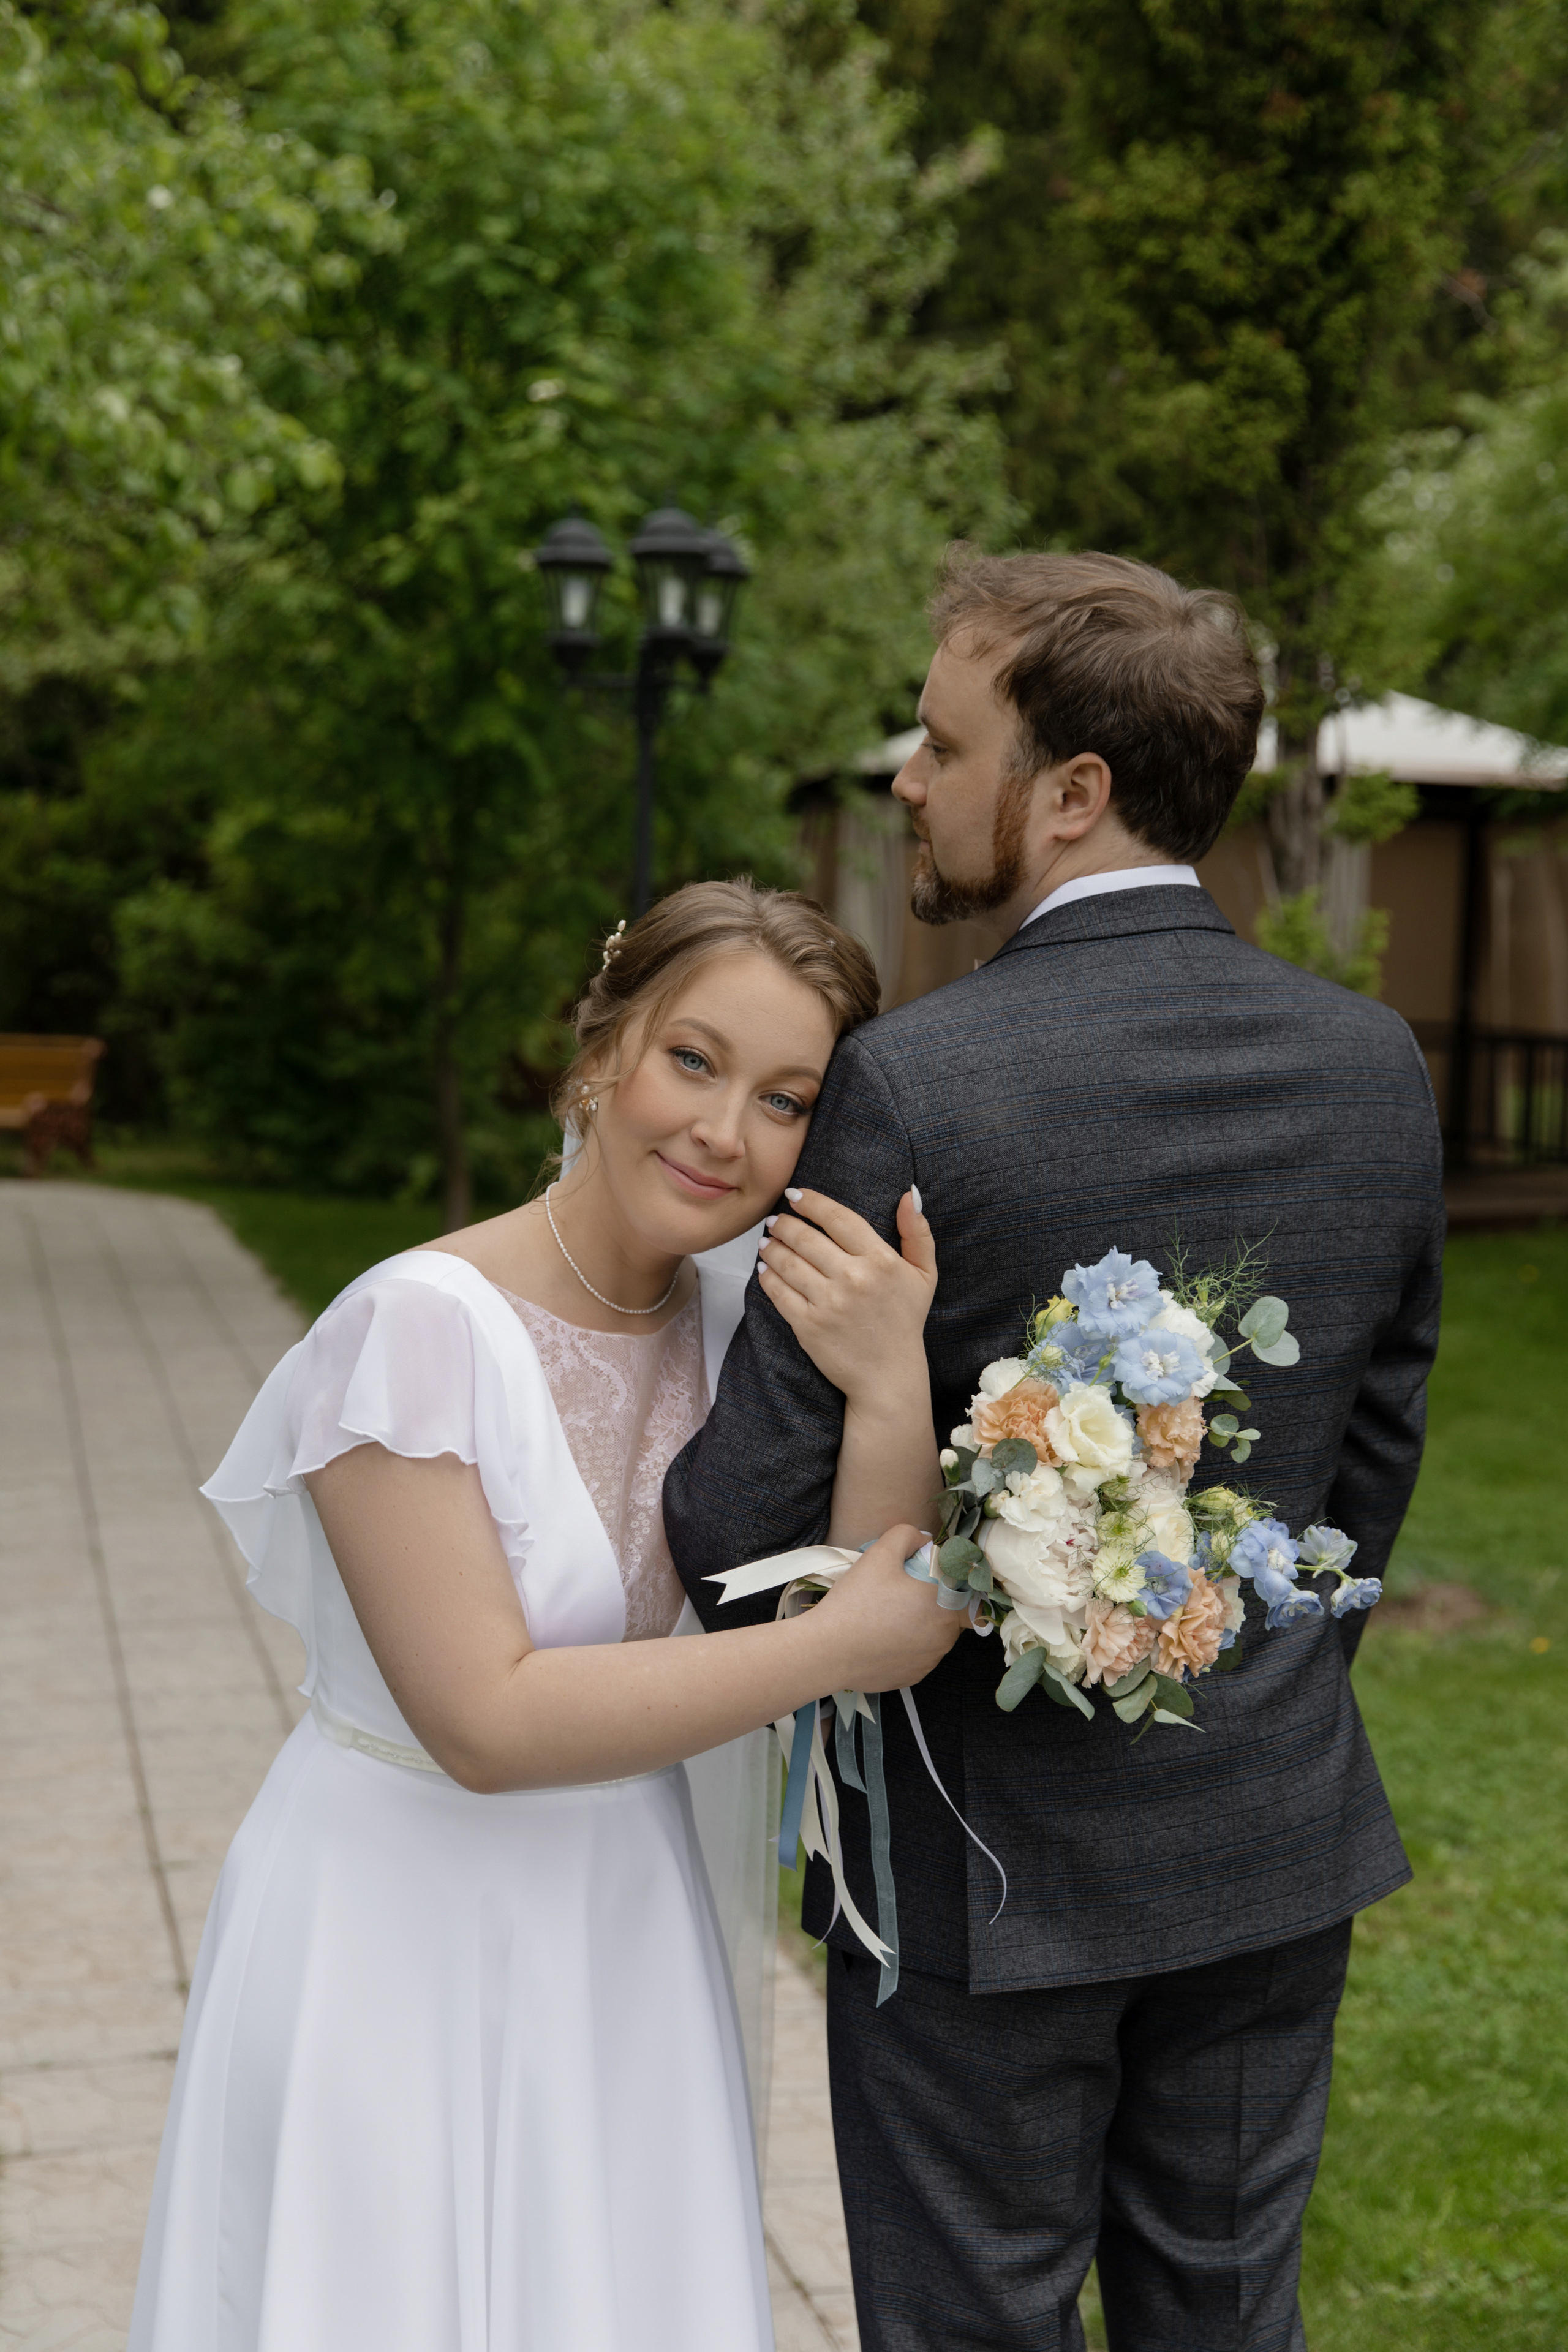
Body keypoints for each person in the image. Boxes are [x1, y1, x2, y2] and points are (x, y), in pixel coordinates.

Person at [665, 550, 1445, 2352]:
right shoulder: (1371, 1064)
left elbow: (743, 1525)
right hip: (1271, 1829)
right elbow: (1369, 1459)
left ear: (1074, 791)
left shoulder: (919, 1084)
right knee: (1228, 2314)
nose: (909, 781)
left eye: (944, 743)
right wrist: (1247, 1680)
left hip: (973, 1869)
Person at [128, 879, 962, 2352]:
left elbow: (864, 1577)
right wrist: (832, 1649)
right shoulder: (414, 1330)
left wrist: (890, 1375)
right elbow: (487, 1721)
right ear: (599, 1058)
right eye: (690, 1062)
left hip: (623, 1917)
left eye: (781, 1100)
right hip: (396, 1928)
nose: (720, 1131)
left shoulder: (738, 1333)